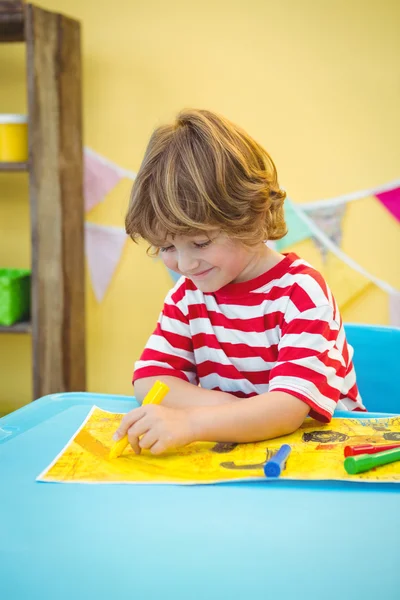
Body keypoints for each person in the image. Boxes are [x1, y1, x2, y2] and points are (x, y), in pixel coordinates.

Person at [113, 108, 365, 455]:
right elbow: (151, 379)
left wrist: (191, 422)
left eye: (200, 243)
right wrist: (231, 414)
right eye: (167, 246)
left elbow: (286, 410)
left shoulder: (301, 294)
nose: (184, 264)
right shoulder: (187, 296)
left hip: (325, 461)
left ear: (251, 217)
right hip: (246, 461)